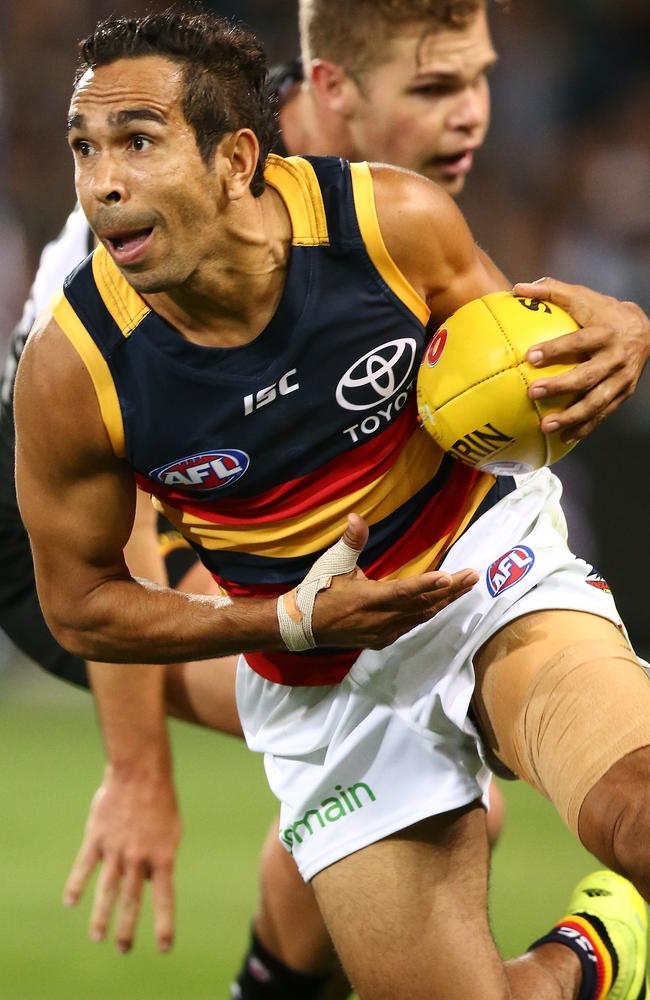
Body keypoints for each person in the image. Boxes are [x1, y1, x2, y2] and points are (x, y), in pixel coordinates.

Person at [3, 0, 649, 994]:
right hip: (319, 679)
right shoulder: (74, 366)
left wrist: (614, 329)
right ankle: (593, 958)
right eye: (85, 149)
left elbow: (511, 369)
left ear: (234, 161)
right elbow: (79, 601)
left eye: (136, 142)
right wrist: (288, 620)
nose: (103, 183)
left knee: (634, 812)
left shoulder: (392, 221)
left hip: (481, 576)